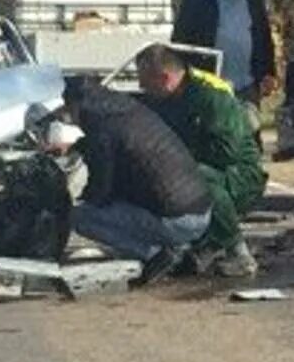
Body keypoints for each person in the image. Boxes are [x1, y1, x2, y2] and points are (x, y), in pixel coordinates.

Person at [48, 76, 214, 285]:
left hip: (178, 221)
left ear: (71, 103)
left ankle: (154, 254)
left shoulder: (101, 128)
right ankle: (178, 249)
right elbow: (116, 148)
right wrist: (75, 147)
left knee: (78, 216)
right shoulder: (123, 110)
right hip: (200, 211)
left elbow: (101, 189)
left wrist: (77, 200)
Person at [136, 44, 268, 278]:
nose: (141, 87)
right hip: (202, 169)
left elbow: (228, 152)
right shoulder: (165, 101)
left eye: (145, 81)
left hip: (239, 175)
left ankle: (239, 252)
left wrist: (177, 157)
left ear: (165, 78)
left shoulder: (211, 96)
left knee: (194, 176)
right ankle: (195, 245)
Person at [173, 0, 279, 134]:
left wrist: (268, 74)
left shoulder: (254, 3)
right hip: (211, 84)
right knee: (214, 135)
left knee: (248, 136)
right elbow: (180, 41)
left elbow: (264, 41)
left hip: (246, 87)